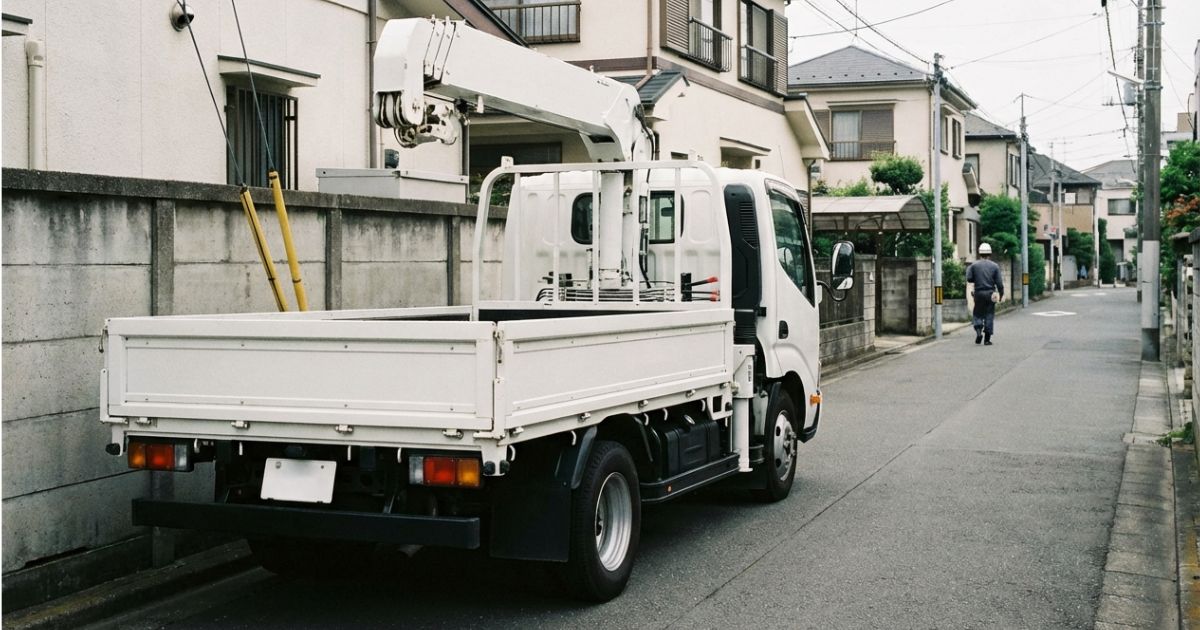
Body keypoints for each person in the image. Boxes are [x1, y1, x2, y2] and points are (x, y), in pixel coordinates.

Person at [966, 243, 1005, 346]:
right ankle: (987, 339)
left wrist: (977, 278)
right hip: (990, 293)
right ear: (990, 254)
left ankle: (979, 333)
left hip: (978, 293)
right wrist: (1001, 294)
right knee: (989, 314)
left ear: (980, 253)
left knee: (977, 313)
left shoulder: (974, 265)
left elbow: (969, 278)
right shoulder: (995, 266)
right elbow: (999, 283)